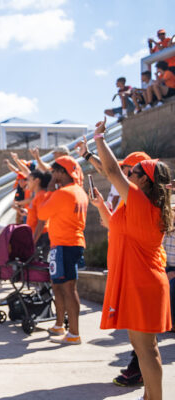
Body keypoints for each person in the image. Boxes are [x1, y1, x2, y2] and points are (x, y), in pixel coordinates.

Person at [90, 117, 172, 400]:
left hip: (142, 282)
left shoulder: (140, 201)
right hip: (140, 281)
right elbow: (113, 226)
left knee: (146, 349)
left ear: (145, 182)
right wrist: (101, 205)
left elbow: (111, 171)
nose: (129, 174)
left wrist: (98, 138)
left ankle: (155, 398)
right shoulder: (138, 206)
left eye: (134, 172)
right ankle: (150, 396)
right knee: (144, 348)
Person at [37, 156, 88, 345]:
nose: (52, 175)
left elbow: (42, 213)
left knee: (68, 288)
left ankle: (74, 333)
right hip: (66, 244)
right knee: (58, 285)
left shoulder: (63, 193)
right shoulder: (78, 191)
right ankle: (60, 325)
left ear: (61, 172)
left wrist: (49, 192)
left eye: (54, 171)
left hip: (64, 245)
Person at [27, 170, 52, 260]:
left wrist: (34, 240)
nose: (27, 183)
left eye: (29, 180)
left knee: (40, 265)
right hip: (38, 235)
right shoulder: (38, 196)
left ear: (37, 180)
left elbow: (43, 220)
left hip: (41, 236)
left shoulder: (41, 196)